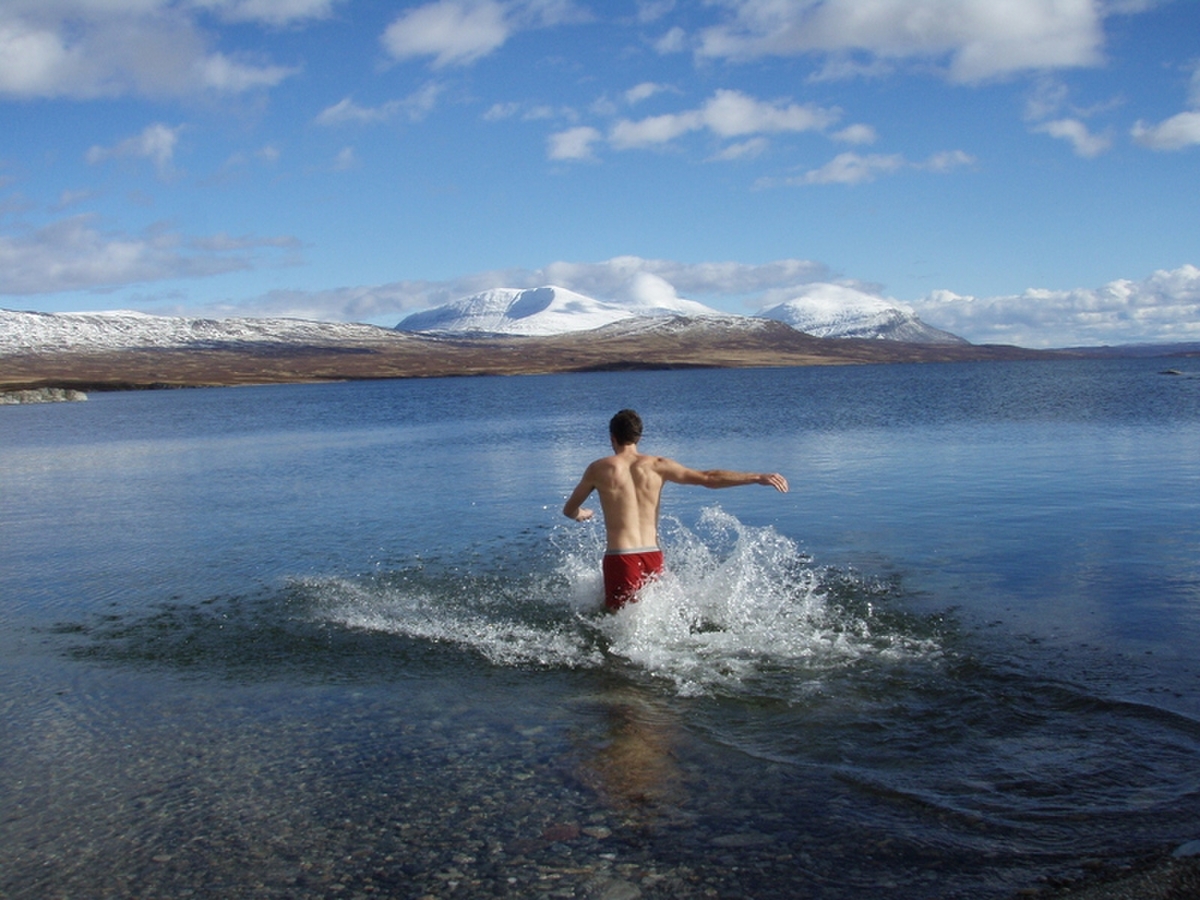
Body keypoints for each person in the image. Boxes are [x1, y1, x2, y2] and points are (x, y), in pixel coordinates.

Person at [563, 408, 789, 611]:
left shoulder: (598, 469)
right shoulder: (659, 465)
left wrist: (581, 514)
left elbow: (569, 509)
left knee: (616, 624)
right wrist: (757, 477)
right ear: (638, 437)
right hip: (653, 555)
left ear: (612, 438)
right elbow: (708, 478)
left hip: (621, 558)